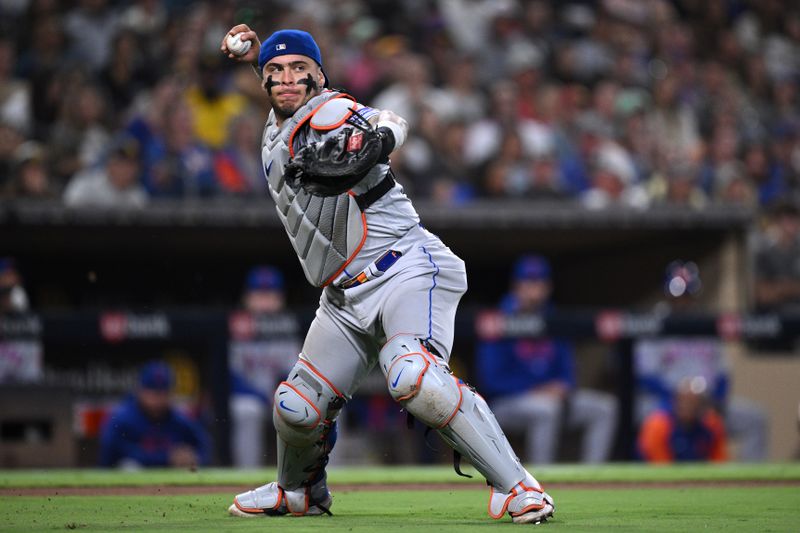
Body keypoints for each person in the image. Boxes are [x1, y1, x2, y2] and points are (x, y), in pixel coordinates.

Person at [219, 27, 554, 523]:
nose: (286, 80)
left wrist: (374, 142)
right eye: (275, 72)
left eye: (298, 71)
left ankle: (519, 487)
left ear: (320, 75)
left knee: (412, 375)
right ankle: (299, 492)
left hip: (404, 268)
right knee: (296, 405)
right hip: (342, 297)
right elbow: (283, 90)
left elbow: (389, 120)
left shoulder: (331, 111)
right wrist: (255, 58)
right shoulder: (276, 119)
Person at [476, 255, 618, 464]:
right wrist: (537, 389)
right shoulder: (499, 319)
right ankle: (541, 481)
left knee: (605, 408)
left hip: (554, 401)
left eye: (539, 283)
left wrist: (563, 387)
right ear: (516, 286)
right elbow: (491, 380)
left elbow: (569, 372)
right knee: (545, 409)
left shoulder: (553, 319)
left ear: (548, 287)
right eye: (528, 283)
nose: (534, 290)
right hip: (507, 404)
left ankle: (592, 476)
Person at [634, 261, 768, 462]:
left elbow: (723, 373)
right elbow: (644, 375)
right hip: (666, 401)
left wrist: (715, 399)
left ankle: (752, 482)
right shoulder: (654, 324)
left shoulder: (706, 324)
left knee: (755, 418)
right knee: (642, 414)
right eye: (678, 296)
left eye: (687, 296)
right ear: (667, 295)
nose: (683, 302)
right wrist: (677, 399)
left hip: (707, 403)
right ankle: (650, 479)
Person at [229, 266, 299, 467]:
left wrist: (279, 393)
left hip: (281, 396)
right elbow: (231, 376)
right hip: (249, 397)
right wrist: (262, 397)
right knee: (247, 410)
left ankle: (325, 479)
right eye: (259, 295)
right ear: (247, 298)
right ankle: (246, 478)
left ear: (280, 299)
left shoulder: (289, 329)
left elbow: (294, 371)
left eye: (270, 295)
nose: (265, 301)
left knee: (317, 410)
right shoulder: (235, 328)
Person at [99, 361, 210, 468]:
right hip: (125, 477)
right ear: (140, 391)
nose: (159, 399)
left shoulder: (179, 419)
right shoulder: (122, 418)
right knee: (129, 466)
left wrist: (193, 457)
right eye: (154, 393)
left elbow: (204, 445)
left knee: (189, 469)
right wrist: (166, 458)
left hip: (166, 480)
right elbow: (115, 452)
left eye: (164, 393)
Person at [638, 376, 728, 463]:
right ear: (675, 401)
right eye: (684, 400)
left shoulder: (712, 424)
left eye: (694, 402)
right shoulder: (658, 424)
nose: (689, 407)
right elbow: (659, 466)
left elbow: (719, 463)